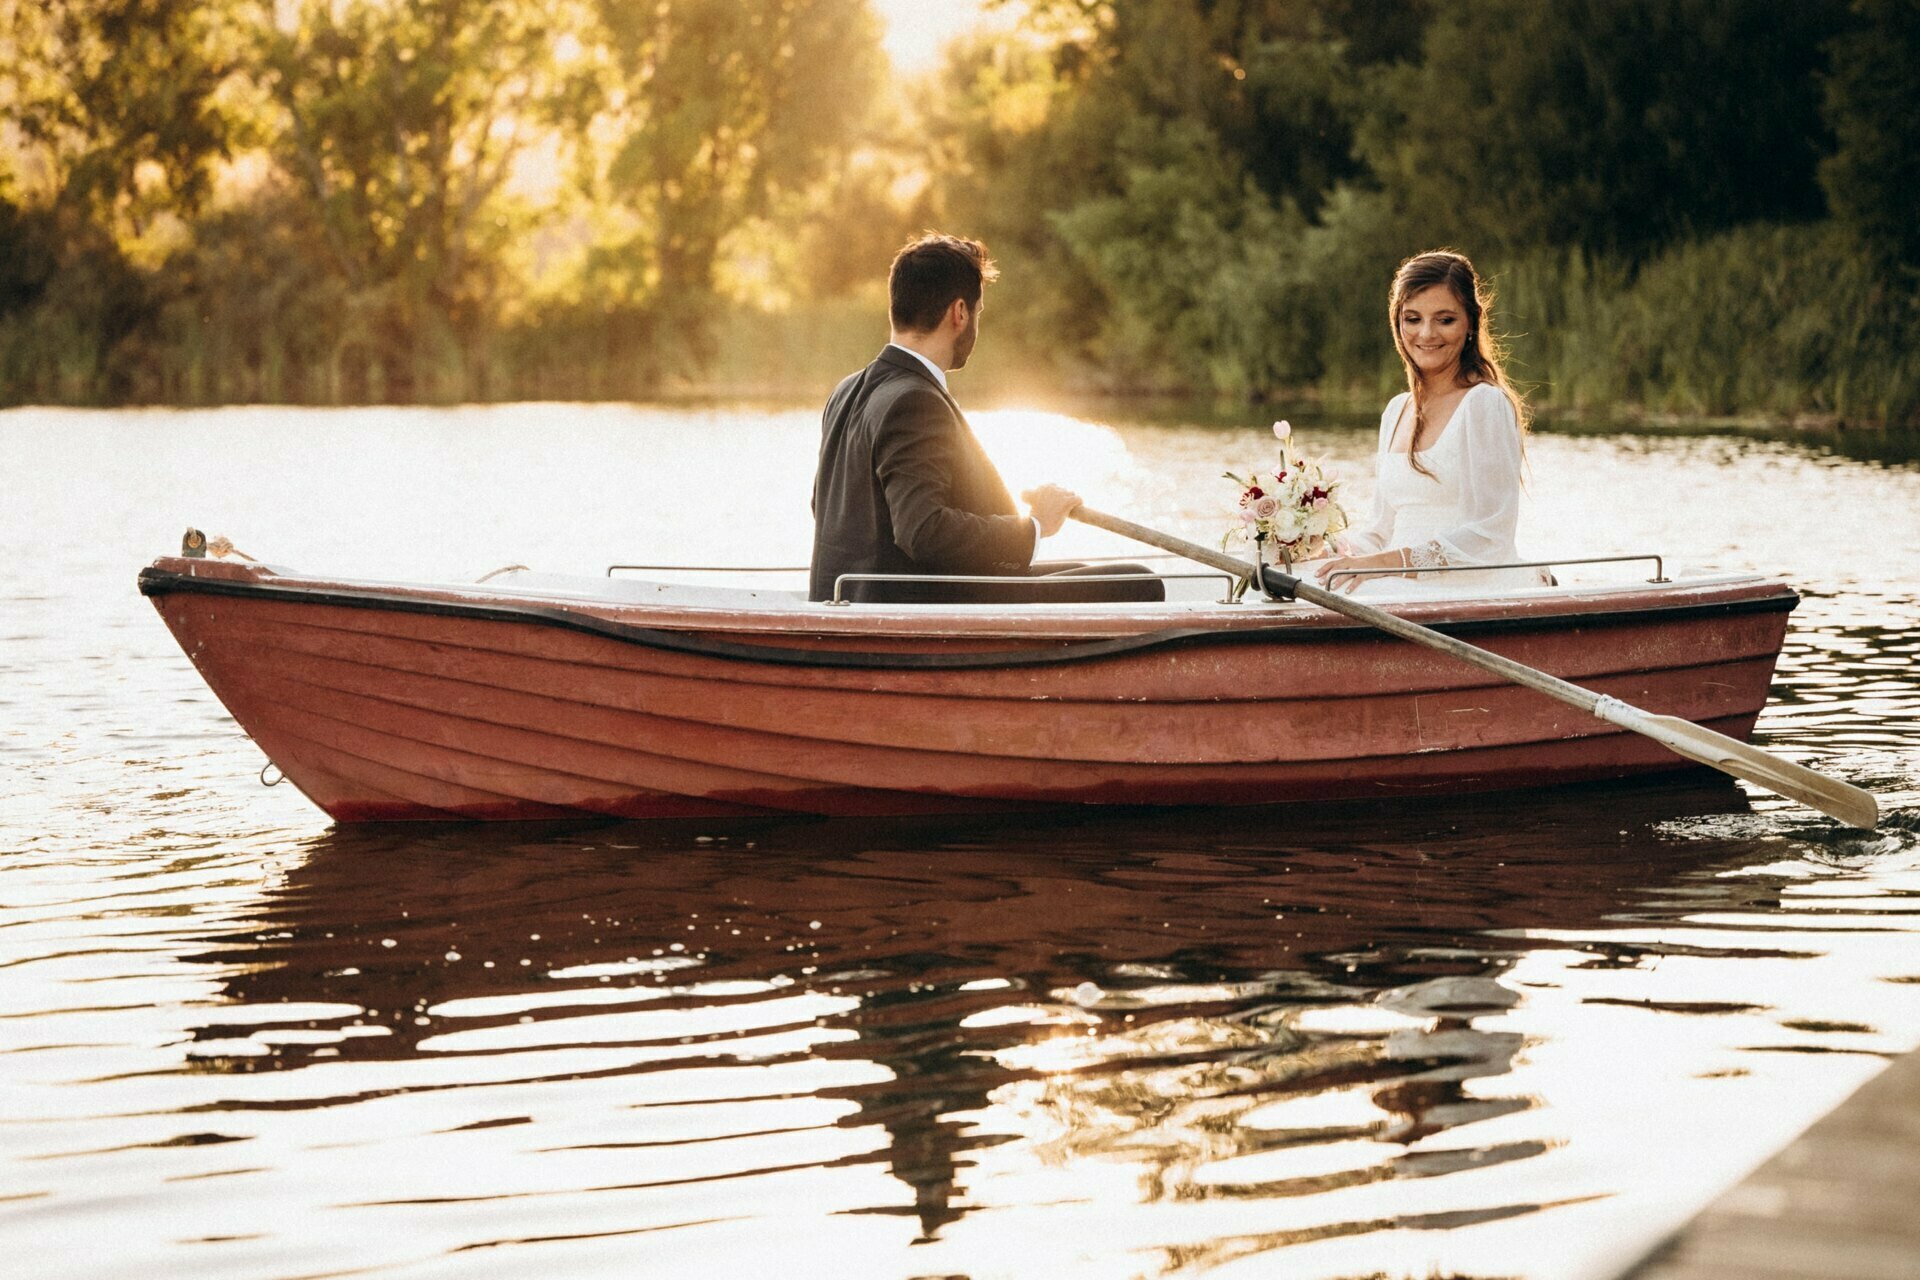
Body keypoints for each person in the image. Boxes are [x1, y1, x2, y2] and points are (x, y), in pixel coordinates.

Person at [809, 232, 1161, 604]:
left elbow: (826, 505)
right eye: (977, 313)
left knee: (1098, 575)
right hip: (909, 612)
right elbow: (922, 531)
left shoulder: (847, 390)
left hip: (859, 599)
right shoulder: (915, 400)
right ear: (960, 313)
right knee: (1138, 582)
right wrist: (1035, 525)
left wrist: (1015, 520)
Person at [1311, 250, 1550, 595]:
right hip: (1395, 583)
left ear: (1471, 322)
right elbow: (1379, 532)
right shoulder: (1396, 410)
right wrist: (1315, 549)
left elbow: (1490, 536)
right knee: (1299, 581)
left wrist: (1380, 566)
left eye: (1445, 320)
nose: (1426, 334)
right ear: (1397, 323)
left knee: (1366, 594)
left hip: (1469, 585)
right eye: (1412, 319)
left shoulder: (1484, 403)